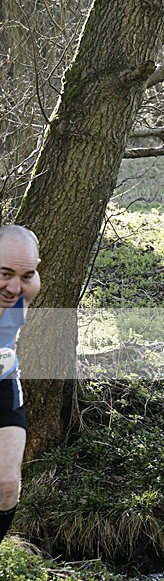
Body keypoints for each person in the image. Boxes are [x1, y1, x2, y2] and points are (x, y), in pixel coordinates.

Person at [0, 225, 41, 546]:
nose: (15, 287)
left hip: (4, 380)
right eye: (5, 273)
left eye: (26, 274)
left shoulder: (29, 288)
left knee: (8, 484)